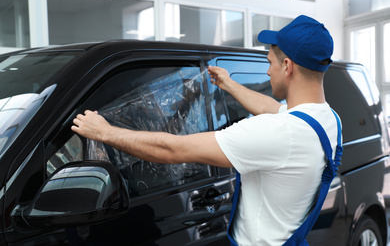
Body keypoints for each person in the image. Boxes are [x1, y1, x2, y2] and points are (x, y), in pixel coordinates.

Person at [72, 15, 340, 245]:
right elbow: (272, 108)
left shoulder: (279, 133)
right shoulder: (326, 119)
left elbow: (175, 148)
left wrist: (106, 133)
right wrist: (229, 84)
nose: (267, 72)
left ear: (287, 66)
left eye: (269, 62)